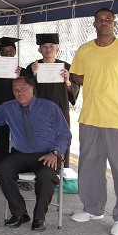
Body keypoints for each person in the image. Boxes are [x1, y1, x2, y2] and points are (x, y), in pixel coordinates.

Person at [70, 8, 118, 235]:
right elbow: (77, 75)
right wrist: (92, 80)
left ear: (114, 23)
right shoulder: (85, 50)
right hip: (89, 118)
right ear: (94, 24)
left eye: (108, 19)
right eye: (100, 20)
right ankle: (92, 209)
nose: (104, 23)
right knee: (89, 166)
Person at [0, 77, 71, 231]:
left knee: (46, 175)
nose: (19, 92)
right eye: (16, 89)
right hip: (21, 153)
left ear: (32, 89)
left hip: (48, 153)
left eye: (23, 88)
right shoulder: (8, 108)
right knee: (3, 169)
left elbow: (65, 134)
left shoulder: (49, 107)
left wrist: (55, 153)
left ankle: (39, 217)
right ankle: (20, 213)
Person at [23, 33, 79, 167]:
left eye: (52, 47)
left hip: (60, 108)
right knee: (37, 137)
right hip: (38, 110)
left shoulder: (66, 67)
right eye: (45, 47)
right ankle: (37, 168)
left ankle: (60, 169)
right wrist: (34, 75)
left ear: (57, 49)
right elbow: (24, 90)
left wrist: (67, 81)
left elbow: (75, 89)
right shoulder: (32, 67)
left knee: (60, 135)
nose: (48, 49)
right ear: (39, 50)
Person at [0, 37, 22, 181]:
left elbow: (25, 93)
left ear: (15, 52)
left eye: (10, 51)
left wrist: (18, 77)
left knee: (18, 141)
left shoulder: (21, 70)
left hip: (18, 110)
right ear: (0, 53)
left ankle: (17, 172)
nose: (7, 53)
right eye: (4, 51)